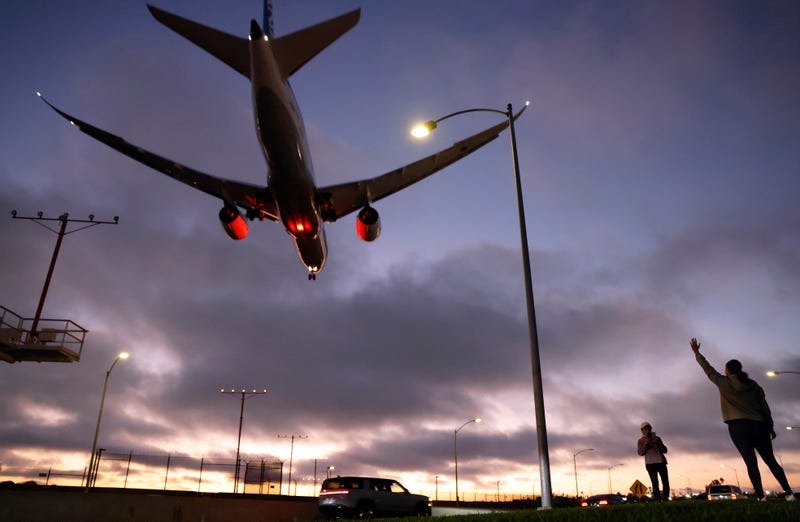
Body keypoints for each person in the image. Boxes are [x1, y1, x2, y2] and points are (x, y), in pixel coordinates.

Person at [690, 337, 796, 501]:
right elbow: (764, 409)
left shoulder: (724, 382)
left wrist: (697, 353)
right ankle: (789, 494)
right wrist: (770, 427)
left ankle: (761, 497)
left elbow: (708, 370)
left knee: (751, 462)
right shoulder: (753, 385)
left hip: (738, 427)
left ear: (727, 371)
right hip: (759, 426)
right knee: (771, 461)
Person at [637, 421, 670, 501]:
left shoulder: (657, 438)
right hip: (650, 464)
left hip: (661, 462)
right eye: (645, 429)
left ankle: (666, 498)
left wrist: (658, 443)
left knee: (665, 481)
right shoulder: (640, 441)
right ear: (642, 431)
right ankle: (658, 500)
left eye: (648, 428)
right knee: (655, 483)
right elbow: (640, 453)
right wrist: (646, 444)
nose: (647, 430)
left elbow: (665, 450)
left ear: (651, 429)